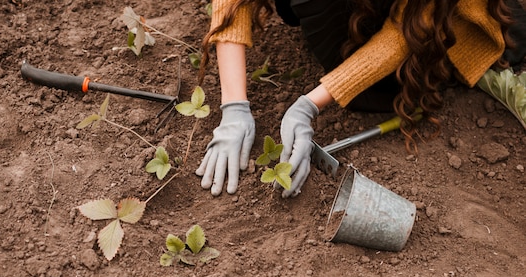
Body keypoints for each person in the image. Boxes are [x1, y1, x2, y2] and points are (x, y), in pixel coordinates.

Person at [195, 0, 526, 197]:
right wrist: (234, 108)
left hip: (429, 15)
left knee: (499, 39)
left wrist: (310, 104)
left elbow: (405, 32)